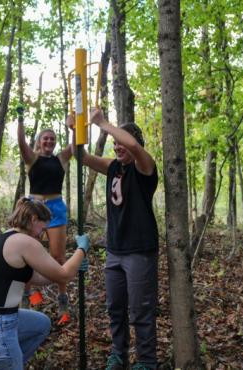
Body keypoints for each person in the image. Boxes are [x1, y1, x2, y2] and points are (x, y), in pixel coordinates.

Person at [68, 108, 159, 370]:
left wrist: (103, 123)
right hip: (115, 249)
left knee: (141, 310)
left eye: (122, 142)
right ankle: (118, 355)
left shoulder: (145, 166)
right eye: (115, 143)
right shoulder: (113, 167)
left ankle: (146, 361)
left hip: (140, 249)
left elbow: (131, 143)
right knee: (115, 307)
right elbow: (81, 157)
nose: (119, 147)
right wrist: (76, 131)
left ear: (136, 145)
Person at [0, 197, 89, 370]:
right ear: (33, 220)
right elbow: (63, 276)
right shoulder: (24, 242)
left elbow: (43, 278)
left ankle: (9, 361)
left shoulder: (8, 238)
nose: (42, 235)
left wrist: (74, 266)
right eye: (43, 228)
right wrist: (81, 249)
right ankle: (6, 360)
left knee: (41, 324)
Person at [16, 105, 73, 323]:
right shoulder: (32, 159)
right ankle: (29, 296)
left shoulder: (61, 159)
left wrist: (74, 125)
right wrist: (21, 120)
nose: (49, 142)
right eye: (45, 139)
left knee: (58, 257)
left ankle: (62, 299)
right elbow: (21, 144)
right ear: (39, 142)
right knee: (28, 256)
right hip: (34, 208)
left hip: (56, 207)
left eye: (52, 139)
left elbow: (76, 144)